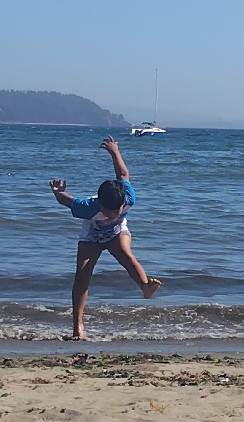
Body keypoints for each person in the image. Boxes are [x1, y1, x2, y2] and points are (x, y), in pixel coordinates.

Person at [49, 136, 161, 339]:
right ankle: (77, 327)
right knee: (82, 275)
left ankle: (145, 287)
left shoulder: (129, 198)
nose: (112, 214)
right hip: (91, 235)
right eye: (108, 211)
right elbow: (67, 201)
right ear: (100, 204)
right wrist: (58, 192)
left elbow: (123, 174)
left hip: (116, 232)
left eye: (117, 210)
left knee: (125, 254)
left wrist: (114, 151)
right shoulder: (88, 207)